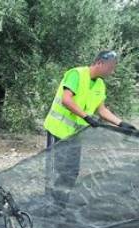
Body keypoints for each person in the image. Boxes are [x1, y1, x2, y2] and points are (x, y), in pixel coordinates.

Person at [43, 50, 135, 207]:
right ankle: (50, 205)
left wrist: (120, 123)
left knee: (72, 171)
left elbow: (102, 110)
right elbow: (66, 99)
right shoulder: (76, 74)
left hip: (76, 135)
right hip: (58, 130)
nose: (112, 72)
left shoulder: (100, 84)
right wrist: (86, 116)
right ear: (100, 62)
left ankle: (59, 205)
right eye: (110, 68)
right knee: (57, 170)